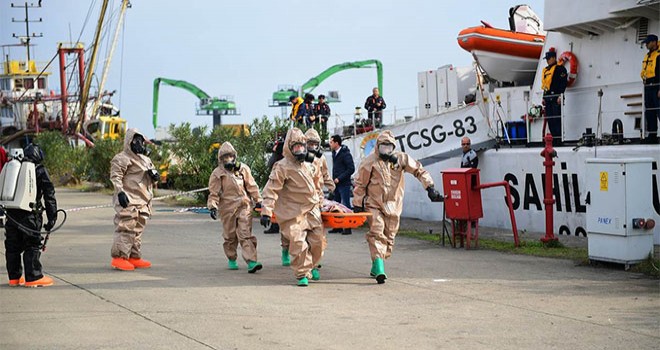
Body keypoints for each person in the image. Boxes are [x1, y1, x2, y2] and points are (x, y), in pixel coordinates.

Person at [352, 130, 442, 284]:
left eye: (389, 147)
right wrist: (358, 204)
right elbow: (360, 184)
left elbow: (419, 170)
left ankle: (377, 263)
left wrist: (430, 188)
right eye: (383, 147)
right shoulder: (369, 162)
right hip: (374, 204)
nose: (386, 151)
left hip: (394, 204)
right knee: (377, 231)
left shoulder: (401, 159)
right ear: (377, 146)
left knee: (389, 237)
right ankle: (380, 267)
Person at [260, 128, 321, 287]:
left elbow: (316, 185)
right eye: (296, 147)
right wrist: (266, 211)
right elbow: (271, 189)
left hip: (311, 209)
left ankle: (312, 266)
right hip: (291, 211)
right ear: (289, 147)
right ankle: (302, 273)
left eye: (302, 146)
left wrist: (321, 200)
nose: (300, 150)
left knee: (318, 242)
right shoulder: (281, 166)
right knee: (298, 242)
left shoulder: (309, 165)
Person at [4, 143, 57, 287]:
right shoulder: (40, 170)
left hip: (11, 214)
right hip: (30, 215)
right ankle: (34, 277)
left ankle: (14, 278)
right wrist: (52, 217)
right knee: (32, 244)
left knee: (12, 246)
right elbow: (49, 195)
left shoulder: (14, 167)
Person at [207, 141, 263, 273]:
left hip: (244, 206)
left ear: (235, 157)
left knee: (245, 233)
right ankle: (231, 258)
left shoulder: (243, 169)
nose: (228, 159)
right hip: (227, 208)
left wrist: (258, 200)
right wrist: (213, 206)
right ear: (221, 159)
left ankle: (252, 261)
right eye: (225, 157)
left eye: (230, 156)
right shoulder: (217, 173)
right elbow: (213, 193)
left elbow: (252, 186)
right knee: (230, 235)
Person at [110, 129, 160, 271]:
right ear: (129, 141)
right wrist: (120, 192)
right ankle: (119, 258)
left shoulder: (146, 160)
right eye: (136, 140)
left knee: (137, 231)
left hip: (143, 201)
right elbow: (116, 177)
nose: (139, 144)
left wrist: (155, 177)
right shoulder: (121, 158)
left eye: (141, 141)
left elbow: (153, 177)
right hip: (128, 200)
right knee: (126, 229)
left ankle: (134, 256)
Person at [305, 128, 335, 280]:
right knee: (302, 238)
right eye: (309, 144)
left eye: (315, 144)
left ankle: (315, 264)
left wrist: (332, 188)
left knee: (318, 237)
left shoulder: (321, 159)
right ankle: (306, 267)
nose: (312, 147)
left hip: (317, 200)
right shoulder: (298, 159)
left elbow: (325, 175)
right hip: (300, 202)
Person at [328, 134, 355, 235]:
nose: (330, 144)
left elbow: (351, 168)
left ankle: (347, 227)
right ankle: (337, 226)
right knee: (336, 205)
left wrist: (340, 178)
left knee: (345, 205)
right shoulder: (334, 153)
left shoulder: (345, 154)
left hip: (343, 184)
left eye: (331, 142)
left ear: (336, 143)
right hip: (336, 184)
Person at [541, 48, 568, 144]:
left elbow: (563, 83)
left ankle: (559, 139)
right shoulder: (546, 71)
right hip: (548, 98)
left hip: (556, 98)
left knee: (557, 119)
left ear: (553, 58)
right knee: (550, 119)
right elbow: (545, 86)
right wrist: (544, 98)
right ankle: (554, 138)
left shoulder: (560, 69)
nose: (548, 61)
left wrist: (561, 95)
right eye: (547, 59)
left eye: (549, 58)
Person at [263, 135, 284, 235]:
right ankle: (274, 225)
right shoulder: (277, 157)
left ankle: (276, 225)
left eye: (276, 145)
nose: (274, 147)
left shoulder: (279, 158)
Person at [641, 34, 660, 144]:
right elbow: (644, 71)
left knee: (659, 110)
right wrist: (643, 77)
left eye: (648, 43)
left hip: (657, 85)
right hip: (648, 86)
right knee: (650, 112)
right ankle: (652, 136)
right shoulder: (647, 56)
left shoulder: (658, 55)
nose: (647, 45)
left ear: (654, 42)